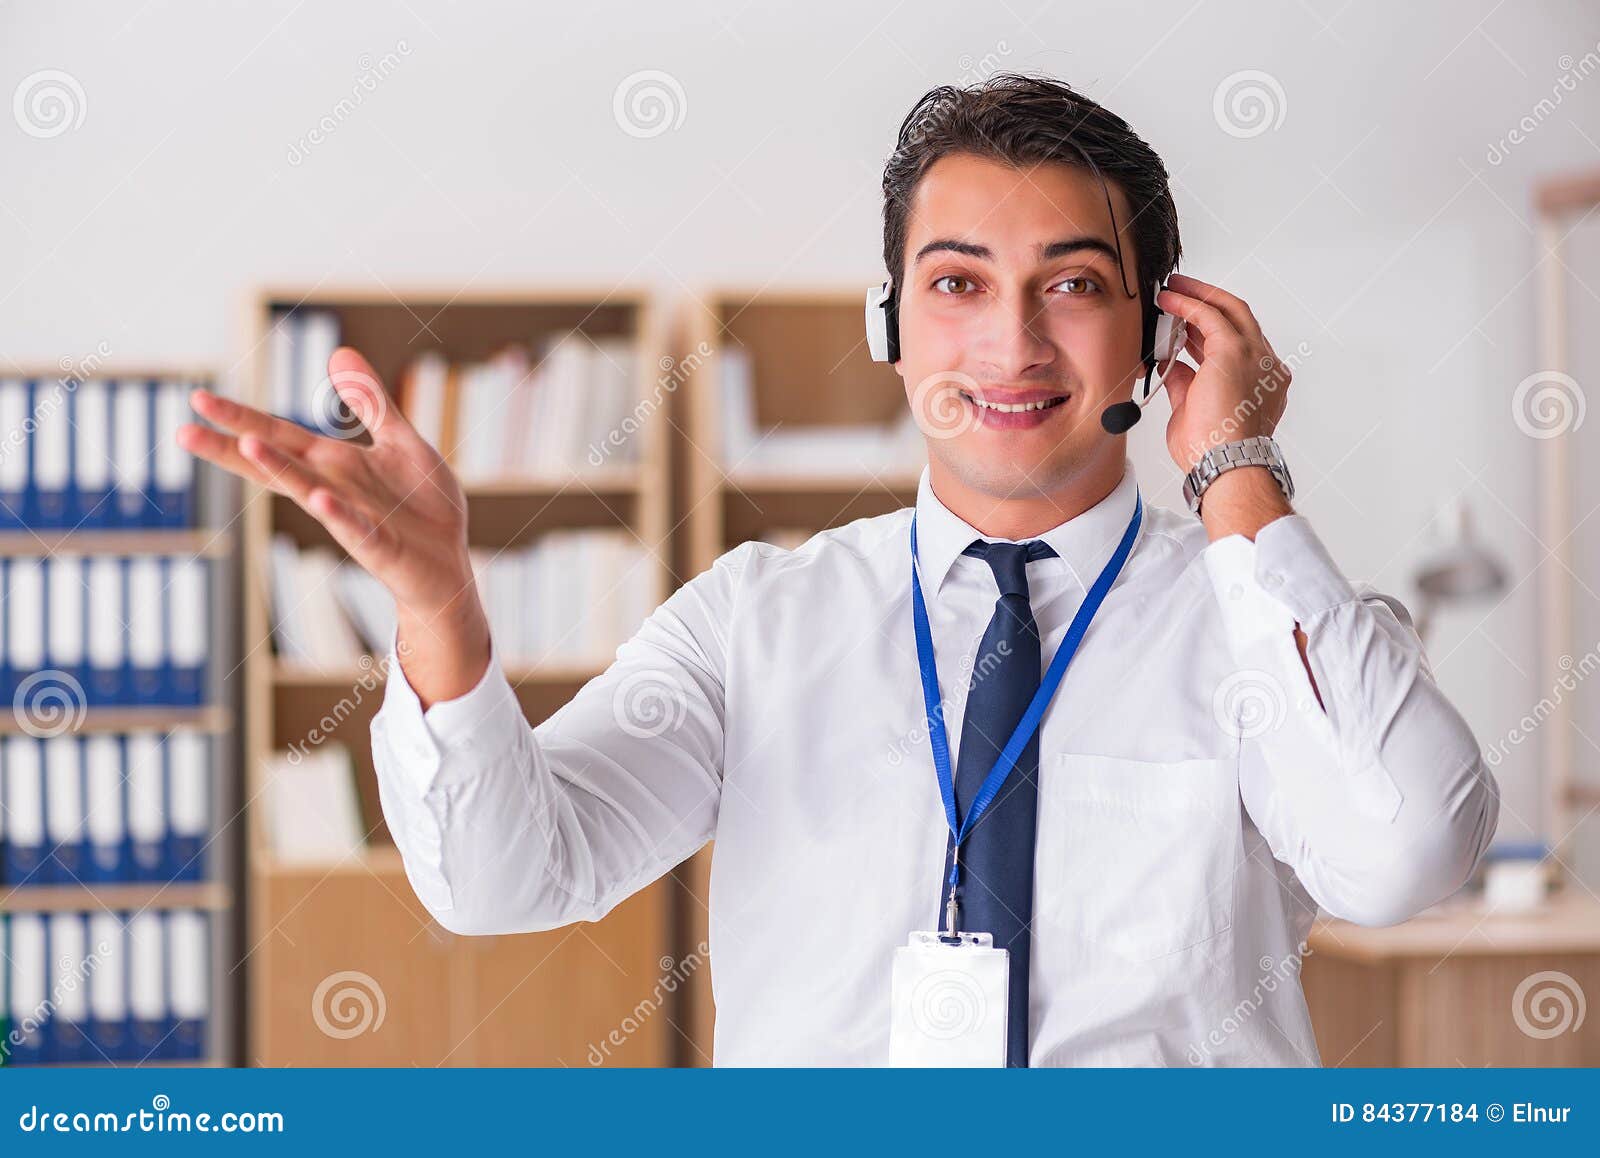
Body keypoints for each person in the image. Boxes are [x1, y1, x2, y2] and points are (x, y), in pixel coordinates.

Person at [179, 73, 1498, 1066]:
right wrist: (438, 608)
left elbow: (1408, 853)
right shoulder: (757, 619)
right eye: (957, 284)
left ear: (1161, 330)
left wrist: (1241, 471)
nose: (1013, 343)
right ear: (891, 324)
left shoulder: (1261, 619)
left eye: (1075, 284)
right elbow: (509, 876)